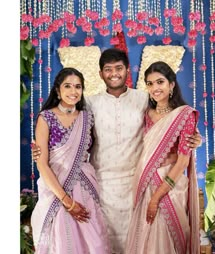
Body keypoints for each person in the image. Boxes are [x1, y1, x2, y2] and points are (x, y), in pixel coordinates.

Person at [32, 48, 201, 254]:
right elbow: (71, 132)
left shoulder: (143, 98)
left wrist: (194, 138)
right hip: (102, 187)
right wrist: (45, 152)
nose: (114, 73)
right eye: (108, 69)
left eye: (119, 68)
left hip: (137, 184)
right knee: (103, 243)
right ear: (100, 73)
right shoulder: (89, 104)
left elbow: (167, 121)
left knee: (137, 243)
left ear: (127, 70)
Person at [31, 67, 110, 254]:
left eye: (78, 87)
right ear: (58, 90)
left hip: (85, 188)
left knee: (95, 243)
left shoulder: (86, 117)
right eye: (68, 86)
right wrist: (67, 201)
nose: (73, 91)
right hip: (56, 189)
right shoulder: (46, 118)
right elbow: (42, 163)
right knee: (62, 243)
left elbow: (87, 151)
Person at [125, 61, 200, 254]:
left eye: (160, 82)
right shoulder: (146, 114)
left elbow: (182, 161)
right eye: (150, 84)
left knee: (166, 239)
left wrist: (156, 198)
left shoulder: (185, 115)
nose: (155, 88)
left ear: (171, 84)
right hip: (144, 184)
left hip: (169, 187)